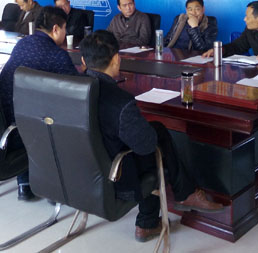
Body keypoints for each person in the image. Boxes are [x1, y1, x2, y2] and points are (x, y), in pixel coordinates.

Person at [80, 30, 223, 242]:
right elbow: (146, 147)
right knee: (156, 146)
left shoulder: (68, 88)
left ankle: (168, 207)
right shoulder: (121, 101)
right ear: (117, 59)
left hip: (79, 170)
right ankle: (163, 210)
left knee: (156, 130)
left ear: (83, 61)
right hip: (114, 177)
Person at [0, 6, 78, 200]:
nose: (65, 33)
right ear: (56, 29)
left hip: (6, 122)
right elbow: (79, 91)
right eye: (65, 28)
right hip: (35, 127)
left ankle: (25, 184)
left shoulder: (22, 43)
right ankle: (53, 187)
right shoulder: (57, 55)